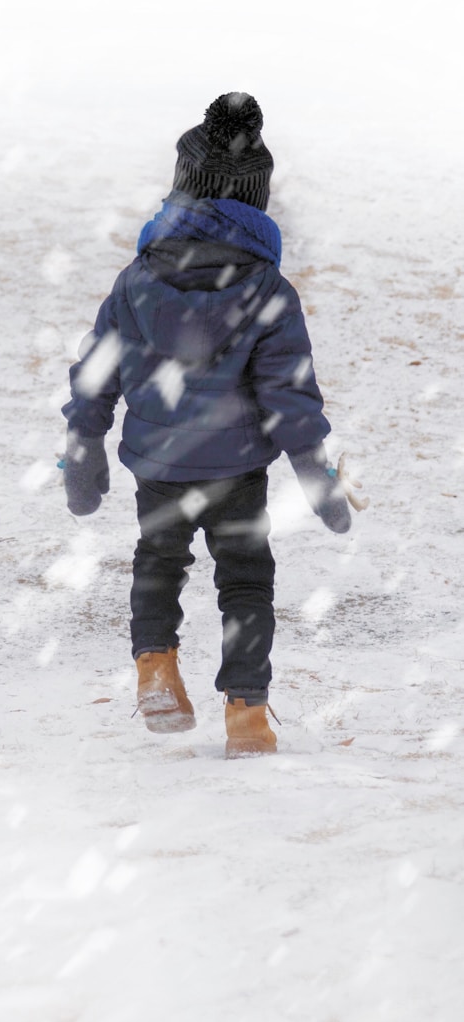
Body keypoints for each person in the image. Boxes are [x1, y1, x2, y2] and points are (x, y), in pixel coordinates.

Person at [61, 92, 352, 758]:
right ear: (256, 203)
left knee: (157, 565)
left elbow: (92, 376)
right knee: (245, 581)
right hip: (236, 470)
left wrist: (82, 449)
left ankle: (155, 669)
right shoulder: (269, 293)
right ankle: (246, 712)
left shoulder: (134, 283)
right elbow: (290, 400)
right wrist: (318, 476)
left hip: (159, 462)